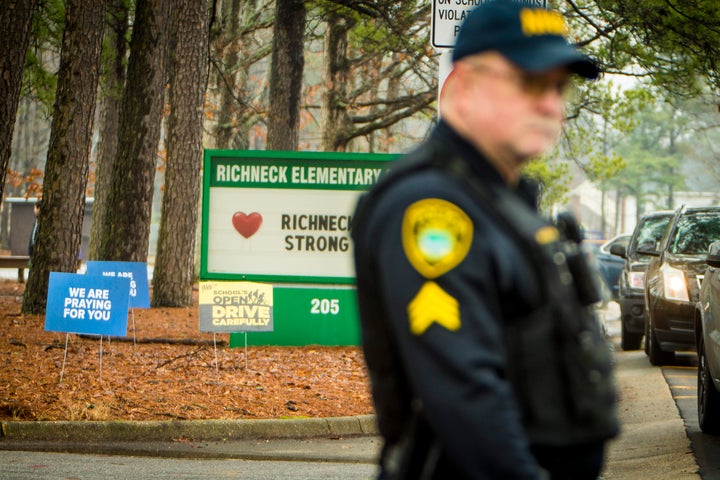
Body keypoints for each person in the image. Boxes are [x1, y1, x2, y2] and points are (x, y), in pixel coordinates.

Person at [351, 1, 619, 479]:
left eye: (559, 86)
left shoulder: (502, 203)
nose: (550, 103)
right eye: (528, 82)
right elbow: (465, 398)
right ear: (463, 89)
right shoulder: (431, 208)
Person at [28, 198, 42, 262]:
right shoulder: (36, 221)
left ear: (38, 208)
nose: (34, 210)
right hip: (33, 253)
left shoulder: (41, 222)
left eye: (35, 208)